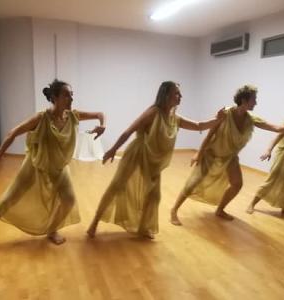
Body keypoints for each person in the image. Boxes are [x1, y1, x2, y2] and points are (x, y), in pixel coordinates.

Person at [0, 79, 106, 253]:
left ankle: (52, 230)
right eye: (66, 95)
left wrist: (102, 126)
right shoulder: (41, 118)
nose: (71, 98)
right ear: (54, 97)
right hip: (35, 167)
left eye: (72, 95)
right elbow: (13, 133)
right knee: (7, 200)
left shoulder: (73, 116)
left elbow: (99, 114)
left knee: (68, 201)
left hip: (59, 169)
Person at [86, 81, 225, 239]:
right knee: (117, 186)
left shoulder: (174, 118)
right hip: (138, 154)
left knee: (154, 196)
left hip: (154, 161)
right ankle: (95, 223)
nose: (181, 96)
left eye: (180, 93)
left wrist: (218, 119)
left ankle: (143, 228)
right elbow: (129, 131)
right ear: (166, 95)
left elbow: (199, 126)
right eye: (177, 93)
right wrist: (113, 149)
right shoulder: (153, 112)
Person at [170, 84, 284, 225]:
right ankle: (174, 210)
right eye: (254, 99)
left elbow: (275, 128)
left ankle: (220, 210)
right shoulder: (226, 113)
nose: (256, 102)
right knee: (193, 183)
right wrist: (199, 153)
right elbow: (211, 133)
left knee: (237, 184)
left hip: (230, 157)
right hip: (212, 154)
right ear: (244, 100)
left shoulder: (251, 118)